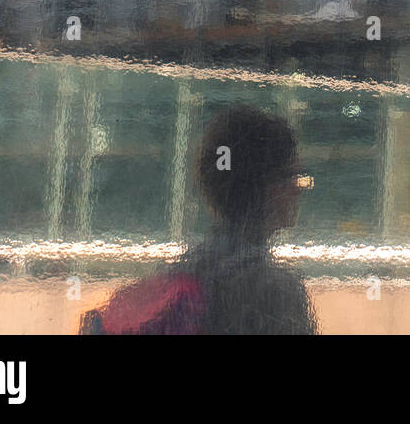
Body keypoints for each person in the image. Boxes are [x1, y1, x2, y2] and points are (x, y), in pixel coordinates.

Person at [81, 105, 316, 334]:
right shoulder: (276, 291)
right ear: (265, 186)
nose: (299, 188)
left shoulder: (177, 274)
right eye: (293, 176)